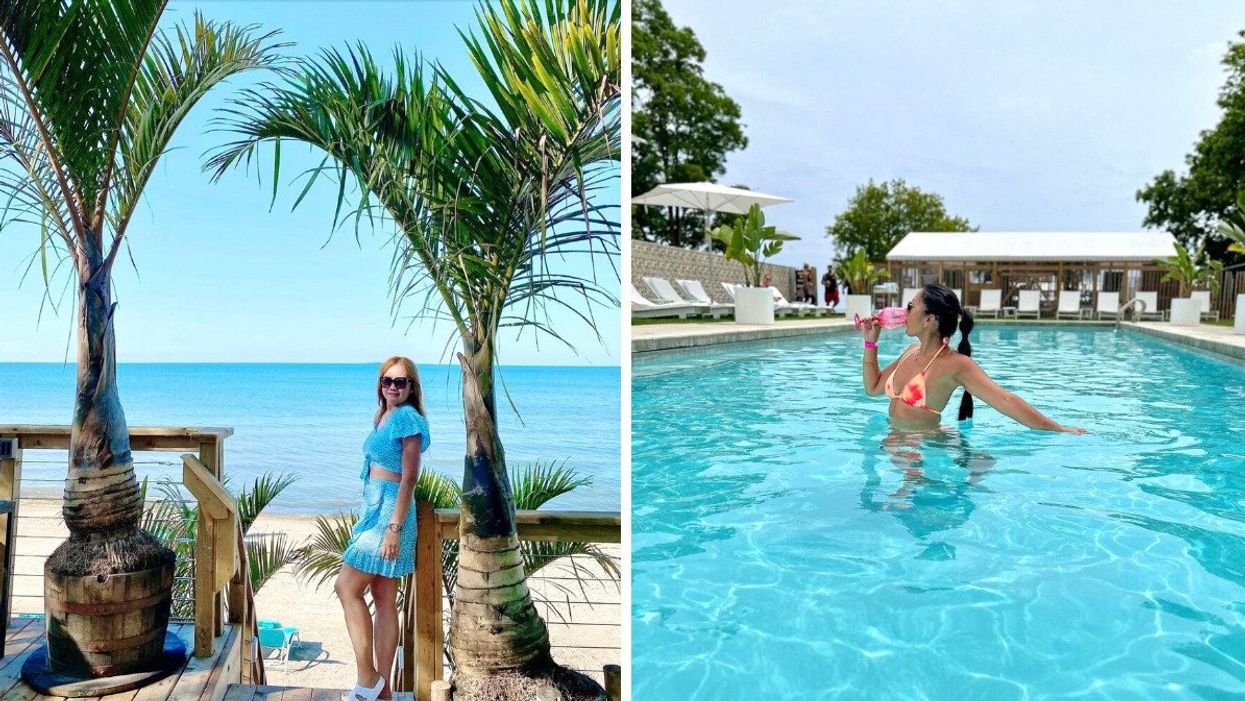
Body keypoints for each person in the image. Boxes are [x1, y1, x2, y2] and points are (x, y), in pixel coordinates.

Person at [860, 283, 1085, 433]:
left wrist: (1059, 429)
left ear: (929, 319)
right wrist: (871, 343)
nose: (904, 311)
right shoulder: (910, 351)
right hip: (895, 446)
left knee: (901, 505)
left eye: (911, 306)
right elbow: (874, 388)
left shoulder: (955, 365)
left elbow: (1005, 400)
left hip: (923, 457)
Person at [336, 356, 431, 701]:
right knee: (384, 598)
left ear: (412, 387)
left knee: (346, 588)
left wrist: (393, 527)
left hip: (388, 515)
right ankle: (383, 690)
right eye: (387, 380)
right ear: (380, 384)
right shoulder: (384, 415)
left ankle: (368, 677)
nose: (393, 386)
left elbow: (409, 478)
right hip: (375, 509)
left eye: (400, 382)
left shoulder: (407, 418)